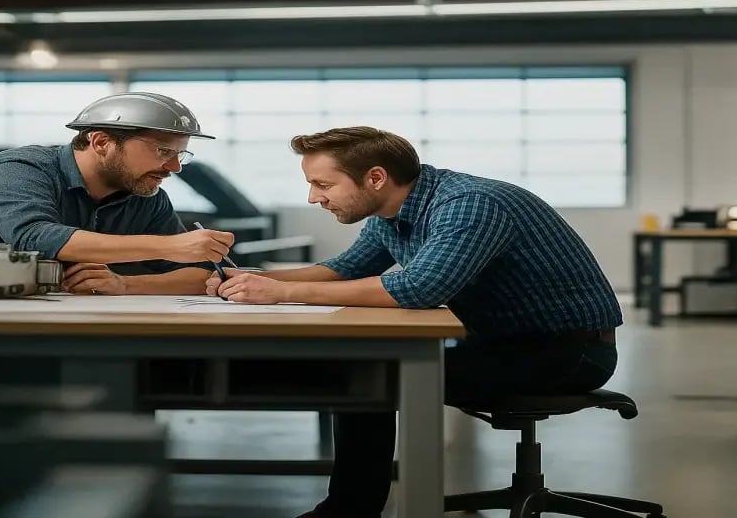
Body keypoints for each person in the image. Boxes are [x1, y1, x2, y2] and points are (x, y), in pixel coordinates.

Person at [205, 126, 623, 518]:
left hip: (570, 353)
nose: (315, 198)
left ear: (375, 178)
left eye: (323, 184)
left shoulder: (470, 204)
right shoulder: (393, 215)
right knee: (367, 372)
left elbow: (420, 289)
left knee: (372, 378)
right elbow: (342, 269)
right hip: (502, 344)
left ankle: (349, 512)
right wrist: (248, 279)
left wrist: (283, 293)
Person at [0, 92, 233, 295]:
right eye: (163, 151)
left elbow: (200, 276)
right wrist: (170, 246)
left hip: (63, 316)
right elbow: (37, 238)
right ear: (101, 142)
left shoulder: (147, 197)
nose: (174, 167)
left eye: (180, 154)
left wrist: (125, 285)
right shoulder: (19, 169)